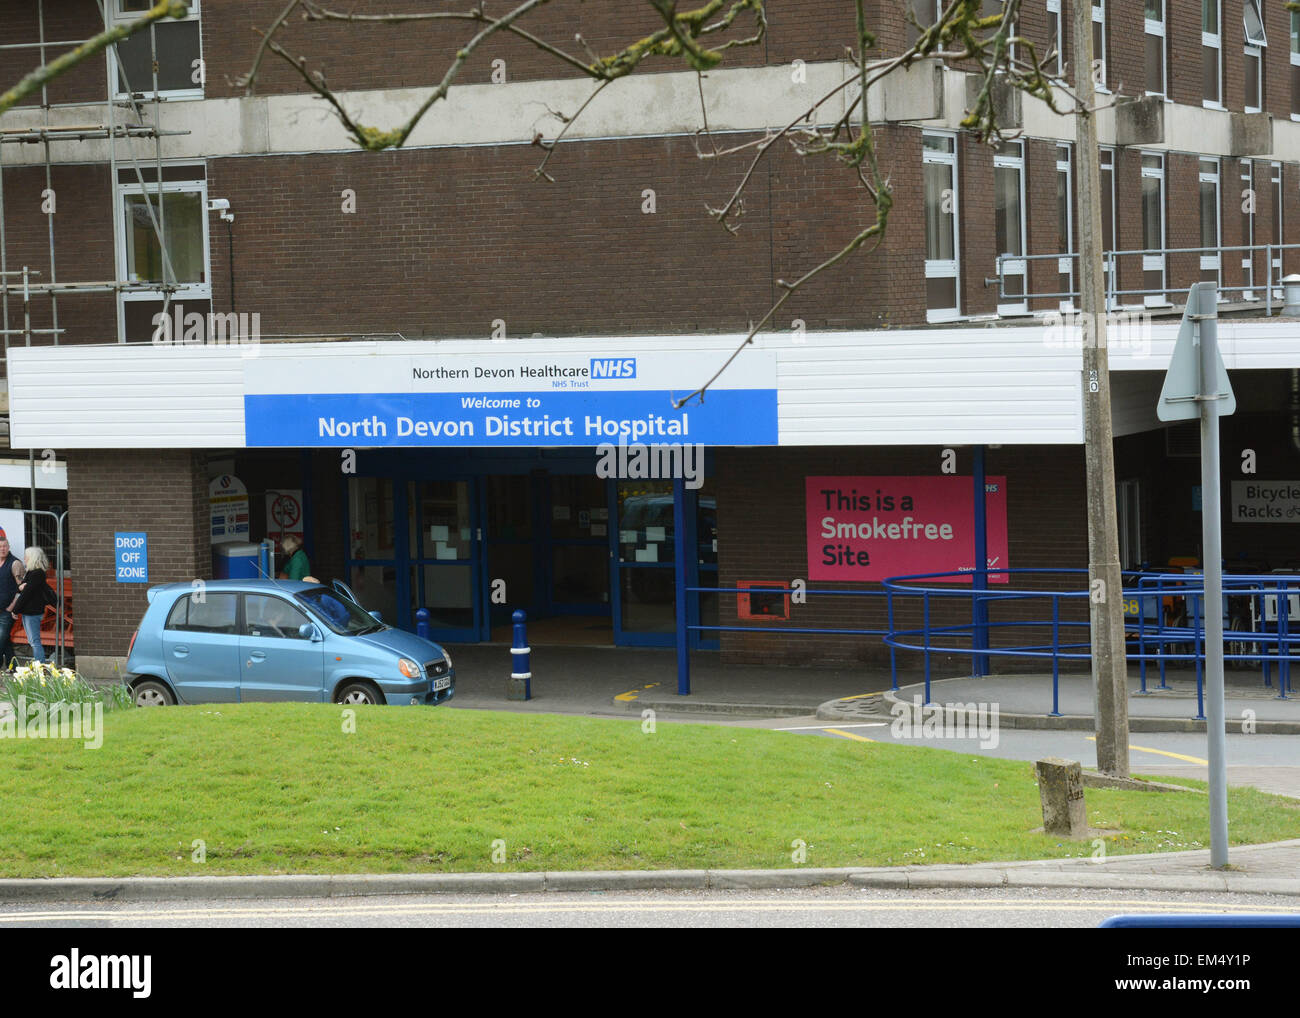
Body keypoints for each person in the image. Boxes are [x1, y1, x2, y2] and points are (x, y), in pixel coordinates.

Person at [12, 547, 56, 664]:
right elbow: (22, 588)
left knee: (34, 641)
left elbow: (26, 593)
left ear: (32, 558)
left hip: (33, 612)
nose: (24, 558)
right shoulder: (33, 573)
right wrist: (20, 588)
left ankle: (40, 666)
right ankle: (39, 665)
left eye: (26, 556)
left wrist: (15, 610)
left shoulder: (37, 574)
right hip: (30, 611)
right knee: (33, 640)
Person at [0, 536, 26, 669]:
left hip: (7, 611)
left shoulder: (15, 564)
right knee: (5, 641)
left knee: (1, 639)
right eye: (0, 547)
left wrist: (12, 607)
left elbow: (22, 589)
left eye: (4, 546)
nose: (2, 549)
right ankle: (14, 667)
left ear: (8, 547)